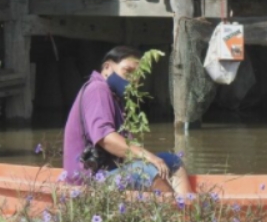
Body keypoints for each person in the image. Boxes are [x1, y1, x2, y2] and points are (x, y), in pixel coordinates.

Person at [63, 46, 192, 194]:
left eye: (137, 75)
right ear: (107, 68)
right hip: (90, 179)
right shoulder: (98, 89)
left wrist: (150, 158)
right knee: (146, 171)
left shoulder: (115, 97)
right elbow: (105, 138)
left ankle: (188, 208)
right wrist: (148, 156)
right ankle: (173, 213)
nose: (133, 80)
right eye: (128, 71)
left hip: (113, 171)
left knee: (171, 160)